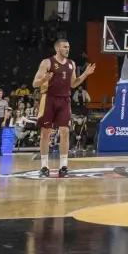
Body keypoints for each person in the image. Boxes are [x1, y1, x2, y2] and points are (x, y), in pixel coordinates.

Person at [32, 39, 95, 179]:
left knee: (65, 131)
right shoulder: (47, 62)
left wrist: (85, 74)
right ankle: (44, 166)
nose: (67, 49)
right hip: (48, 98)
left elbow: (73, 84)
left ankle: (64, 166)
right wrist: (44, 79)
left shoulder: (71, 64)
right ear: (57, 49)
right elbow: (35, 83)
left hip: (64, 100)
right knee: (45, 132)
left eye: (69, 47)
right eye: (65, 47)